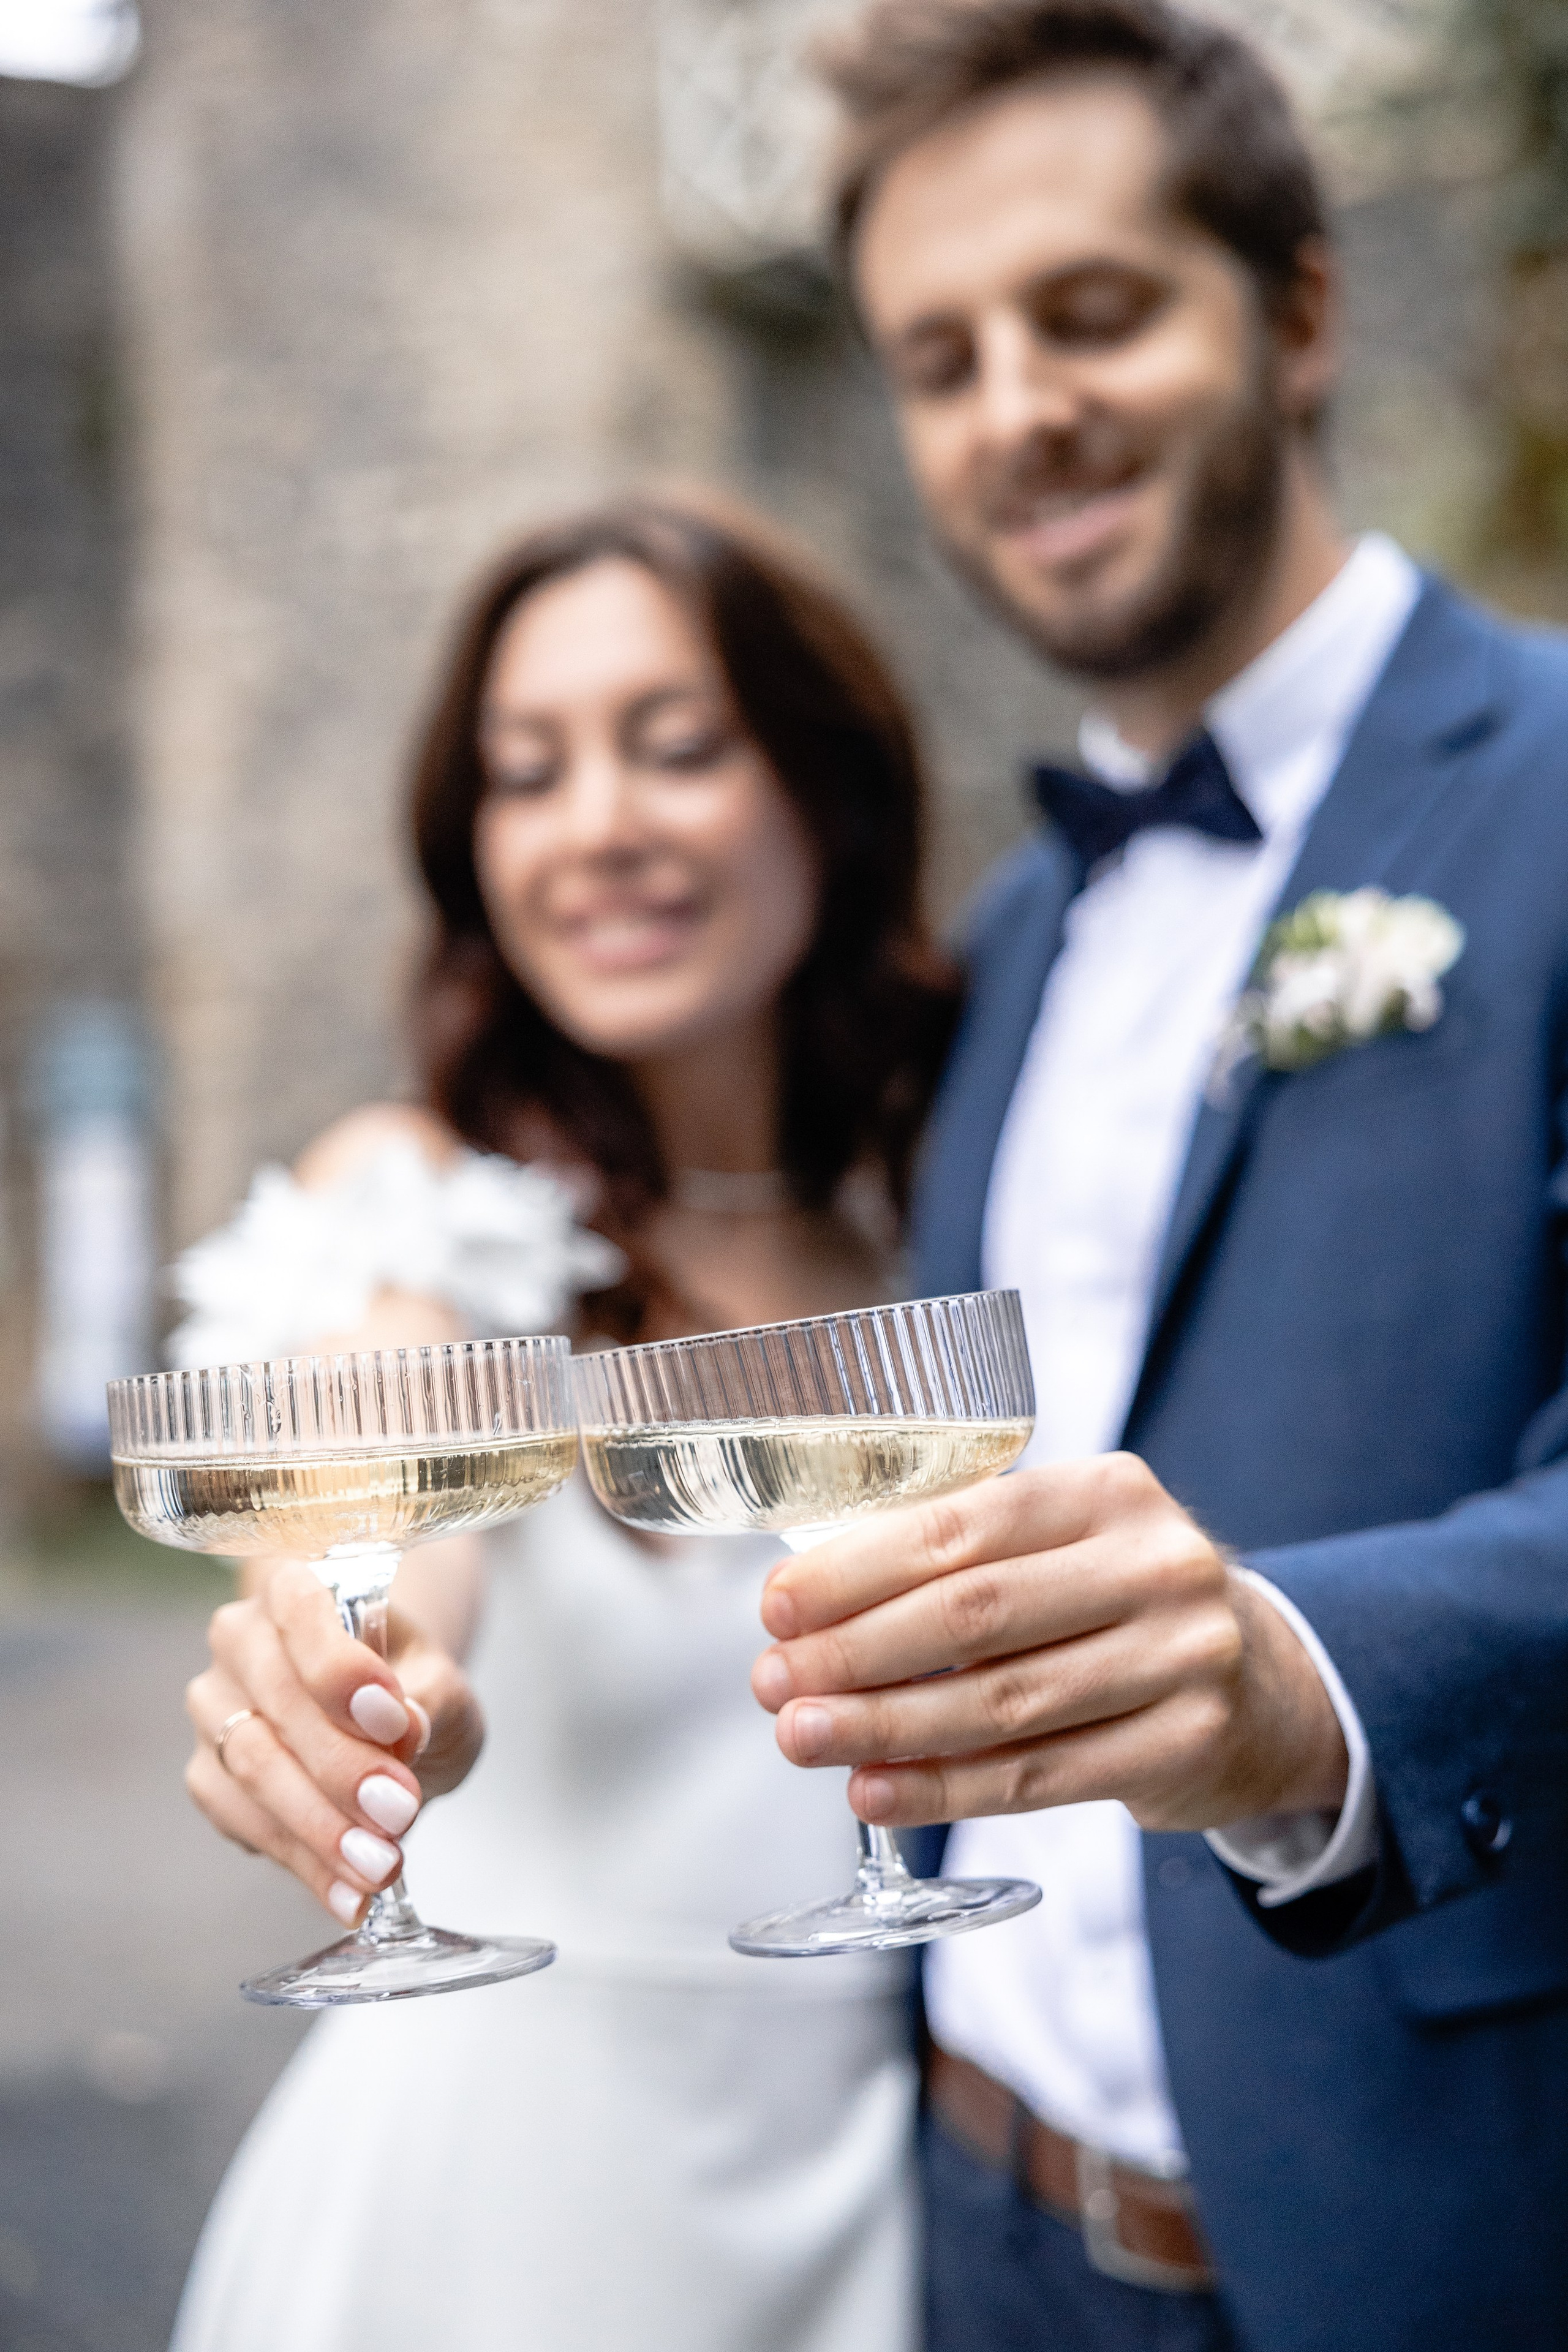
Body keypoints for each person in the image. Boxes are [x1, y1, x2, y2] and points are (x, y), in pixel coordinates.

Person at [743, 5, 1568, 2348]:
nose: (1019, 409)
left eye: (1091, 312)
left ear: (1296, 311)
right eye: (942, 359)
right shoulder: (1011, 939)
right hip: (976, 2212)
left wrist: (1303, 1684)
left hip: (1408, 2248)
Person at [168, 493, 961, 2352]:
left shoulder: (935, 1216)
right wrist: (366, 1676)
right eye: (527, 774)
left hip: (870, 2195)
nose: (598, 825)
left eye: (676, 747)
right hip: (502, 2218)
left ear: (826, 789)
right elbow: (374, 1515)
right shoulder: (426, 1212)